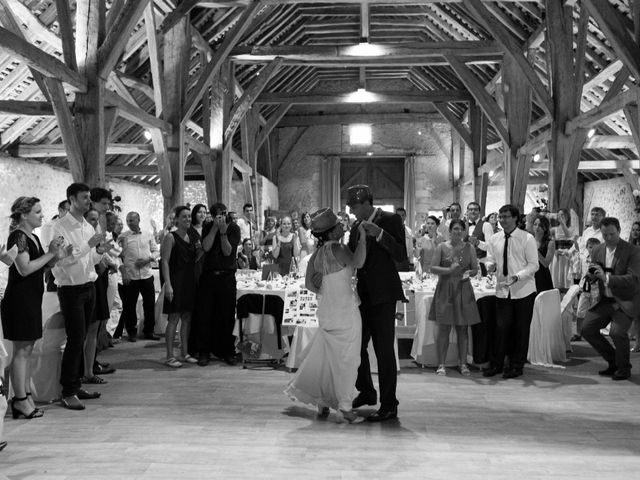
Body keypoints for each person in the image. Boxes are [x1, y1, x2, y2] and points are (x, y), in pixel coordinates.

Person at [285, 208, 367, 423]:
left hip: (327, 311)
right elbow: (358, 262)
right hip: (346, 311)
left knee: (329, 359)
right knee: (349, 360)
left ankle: (323, 402)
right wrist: (364, 240)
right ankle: (345, 408)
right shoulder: (339, 248)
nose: (342, 226)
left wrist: (326, 288)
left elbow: (309, 284)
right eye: (338, 225)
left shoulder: (317, 255)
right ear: (331, 233)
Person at [347, 185, 406, 422]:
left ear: (366, 203)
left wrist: (380, 234)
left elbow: (401, 255)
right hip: (362, 296)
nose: (352, 211)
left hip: (384, 295)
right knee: (356, 347)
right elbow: (352, 257)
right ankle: (368, 391)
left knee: (384, 352)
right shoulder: (354, 227)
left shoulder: (390, 220)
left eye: (354, 207)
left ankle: (389, 404)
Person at [1, 197, 62, 419]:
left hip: (30, 298)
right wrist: (50, 254)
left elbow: (41, 267)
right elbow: (25, 269)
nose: (42, 215)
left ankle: (26, 397)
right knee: (21, 352)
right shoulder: (17, 236)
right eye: (37, 212)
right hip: (19, 300)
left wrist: (55, 256)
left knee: (26, 351)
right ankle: (19, 401)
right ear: (24, 215)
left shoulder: (32, 237)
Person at [52, 183, 108, 410]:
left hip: (89, 286)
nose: (88, 201)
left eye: (88, 198)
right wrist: (89, 245)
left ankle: (76, 385)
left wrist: (99, 252)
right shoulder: (58, 227)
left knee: (83, 338)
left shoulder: (87, 225)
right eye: (84, 198)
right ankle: (67, 391)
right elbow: (63, 260)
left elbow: (89, 259)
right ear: (71, 199)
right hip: (71, 289)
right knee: (75, 340)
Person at [580, 217, 640, 381]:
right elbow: (594, 271)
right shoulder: (597, 249)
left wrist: (606, 278)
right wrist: (591, 276)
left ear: (619, 231)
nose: (608, 238)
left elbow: (633, 279)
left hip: (625, 301)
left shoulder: (633, 251)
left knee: (617, 332)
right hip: (604, 300)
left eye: (612, 234)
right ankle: (614, 361)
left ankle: (624, 368)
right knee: (586, 329)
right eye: (605, 235)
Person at [483, 204, 538, 379]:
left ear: (515, 218)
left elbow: (533, 265)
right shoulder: (495, 239)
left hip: (523, 290)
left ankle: (516, 365)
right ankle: (497, 364)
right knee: (501, 328)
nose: (502, 220)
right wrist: (489, 266)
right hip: (502, 290)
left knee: (521, 329)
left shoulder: (527, 238)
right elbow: (490, 259)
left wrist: (518, 276)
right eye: (500, 217)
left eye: (506, 216)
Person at [429, 219, 481, 376]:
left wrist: (468, 272)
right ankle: (441, 364)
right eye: (455, 228)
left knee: (462, 328)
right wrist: (449, 270)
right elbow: (432, 268)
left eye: (461, 229)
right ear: (450, 230)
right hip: (445, 289)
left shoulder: (469, 248)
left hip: (463, 288)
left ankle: (463, 363)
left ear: (465, 231)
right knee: (444, 328)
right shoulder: (441, 247)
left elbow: (475, 268)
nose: (458, 232)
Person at [195, 203, 241, 366]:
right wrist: (214, 228)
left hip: (227, 277)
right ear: (212, 216)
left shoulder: (234, 228)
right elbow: (206, 247)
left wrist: (222, 232)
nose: (220, 217)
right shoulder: (208, 226)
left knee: (227, 315)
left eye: (222, 214)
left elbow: (228, 251)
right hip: (208, 276)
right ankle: (204, 351)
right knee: (205, 315)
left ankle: (227, 351)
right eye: (216, 215)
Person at [161, 206, 198, 368]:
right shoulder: (170, 237)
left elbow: (193, 259)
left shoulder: (191, 236)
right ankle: (169, 356)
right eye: (184, 217)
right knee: (174, 318)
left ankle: (184, 352)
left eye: (189, 217)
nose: (188, 219)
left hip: (189, 282)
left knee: (187, 318)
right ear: (176, 219)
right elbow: (164, 261)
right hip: (175, 281)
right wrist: (167, 284)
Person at [116, 212, 160, 341]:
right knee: (130, 306)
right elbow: (118, 255)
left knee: (149, 305)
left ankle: (149, 331)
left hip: (146, 275)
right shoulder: (123, 237)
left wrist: (148, 259)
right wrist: (123, 271)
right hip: (131, 276)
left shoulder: (148, 234)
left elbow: (156, 250)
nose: (130, 223)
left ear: (139, 220)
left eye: (132, 220)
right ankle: (131, 332)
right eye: (128, 221)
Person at [550, 208, 577, 290]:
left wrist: (562, 223)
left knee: (566, 278)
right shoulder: (554, 229)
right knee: (556, 278)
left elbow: (568, 235)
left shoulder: (572, 228)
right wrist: (554, 250)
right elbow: (552, 241)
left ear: (567, 216)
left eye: (562, 215)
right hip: (557, 254)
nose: (560, 217)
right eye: (559, 215)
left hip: (567, 255)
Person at [532, 215, 555, 293]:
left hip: (542, 276)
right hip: (529, 275)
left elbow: (546, 263)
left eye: (540, 225)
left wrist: (535, 250)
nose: (537, 227)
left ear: (545, 228)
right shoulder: (528, 240)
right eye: (535, 224)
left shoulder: (550, 243)